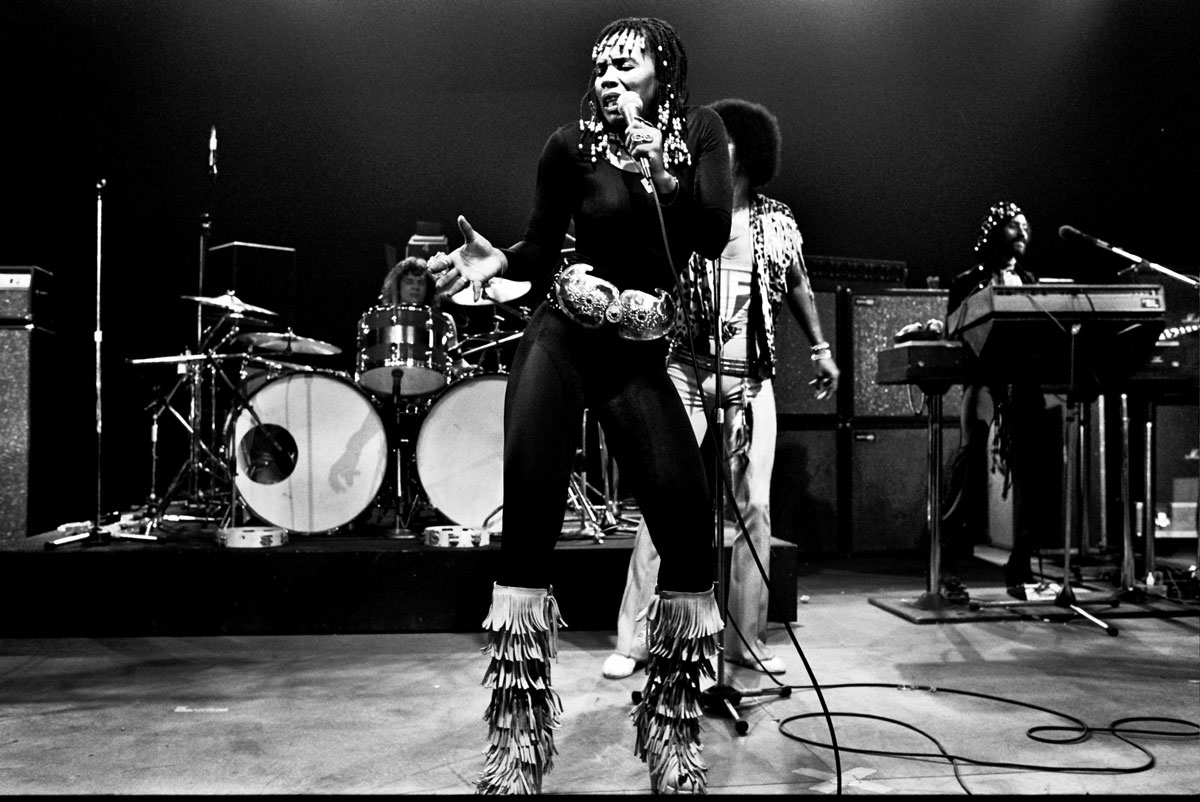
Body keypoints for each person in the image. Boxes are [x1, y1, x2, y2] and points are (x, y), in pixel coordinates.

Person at [427, 17, 732, 795]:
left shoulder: (701, 134)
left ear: (664, 72)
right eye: (599, 68)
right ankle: (517, 751)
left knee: (688, 533)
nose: (607, 78)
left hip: (636, 357)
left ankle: (672, 737)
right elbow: (538, 250)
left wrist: (661, 172)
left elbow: (711, 229)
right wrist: (500, 260)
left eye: (625, 64)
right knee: (528, 530)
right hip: (562, 336)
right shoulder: (569, 146)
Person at [602, 98, 840, 681]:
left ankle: (745, 642)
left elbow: (798, 283)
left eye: (723, 140)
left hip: (750, 379)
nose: (710, 148)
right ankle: (635, 639)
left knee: (756, 506)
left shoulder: (776, 220)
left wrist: (821, 348)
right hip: (685, 371)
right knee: (663, 501)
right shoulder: (687, 207)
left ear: (748, 153)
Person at [943, 201, 1051, 598]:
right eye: (1013, 225)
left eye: (1026, 226)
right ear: (992, 232)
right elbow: (954, 332)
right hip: (984, 384)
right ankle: (947, 567)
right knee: (968, 473)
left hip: (1023, 385)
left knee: (1033, 479)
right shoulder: (966, 281)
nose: (1023, 232)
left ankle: (1019, 568)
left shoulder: (1030, 280)